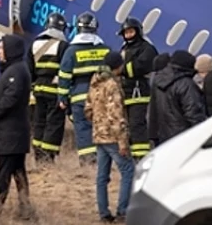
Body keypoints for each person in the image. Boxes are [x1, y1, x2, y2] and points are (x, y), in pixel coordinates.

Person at [0, 33, 35, 220]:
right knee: (17, 171)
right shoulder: (11, 70)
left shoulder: (17, 71)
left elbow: (11, 98)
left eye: (1, 48)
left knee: (5, 172)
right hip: (9, 134)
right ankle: (25, 207)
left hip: (10, 134)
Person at [84, 52, 134, 223]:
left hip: (99, 135)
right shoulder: (112, 84)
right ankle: (123, 211)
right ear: (117, 66)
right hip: (112, 136)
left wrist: (98, 123)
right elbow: (116, 114)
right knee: (129, 171)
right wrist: (122, 141)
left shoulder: (95, 81)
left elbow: (88, 109)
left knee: (101, 176)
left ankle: (104, 213)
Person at [57, 12, 110, 166]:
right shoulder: (105, 50)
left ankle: (88, 162)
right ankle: (104, 161)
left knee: (83, 130)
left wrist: (62, 99)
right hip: (102, 97)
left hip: (80, 98)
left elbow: (64, 76)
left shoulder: (71, 51)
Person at [27, 11, 69, 164]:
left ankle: (38, 155)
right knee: (54, 124)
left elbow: (29, 68)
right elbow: (66, 68)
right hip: (55, 91)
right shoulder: (63, 45)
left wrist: (33, 86)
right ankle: (48, 157)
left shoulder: (34, 44)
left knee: (39, 122)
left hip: (39, 90)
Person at [116, 17, 158, 161]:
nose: (128, 35)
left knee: (137, 124)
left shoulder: (147, 48)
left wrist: (121, 69)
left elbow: (141, 66)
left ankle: (141, 157)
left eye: (131, 32)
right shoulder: (125, 48)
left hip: (139, 92)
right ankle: (130, 155)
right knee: (126, 126)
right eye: (126, 33)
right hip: (125, 92)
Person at [147, 50, 207, 146]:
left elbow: (153, 111)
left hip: (163, 137)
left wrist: (153, 135)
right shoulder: (186, 84)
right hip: (184, 138)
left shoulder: (157, 81)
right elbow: (194, 114)